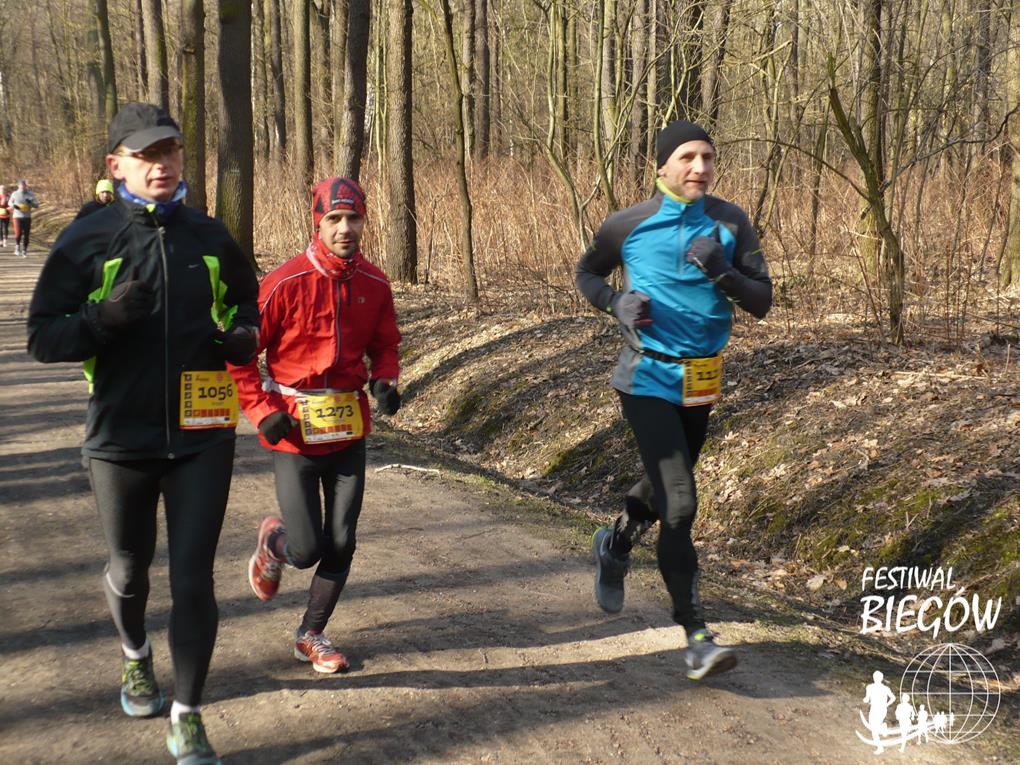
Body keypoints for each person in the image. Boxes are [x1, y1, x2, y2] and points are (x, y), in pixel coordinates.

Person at [27, 102, 259, 765]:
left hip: (202, 434)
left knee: (193, 579)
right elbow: (42, 335)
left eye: (171, 151)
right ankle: (135, 654)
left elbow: (248, 304)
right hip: (120, 437)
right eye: (147, 154)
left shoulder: (210, 236)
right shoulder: (88, 238)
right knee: (130, 570)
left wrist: (244, 337)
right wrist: (100, 320)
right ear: (117, 165)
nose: (162, 164)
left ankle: (188, 714)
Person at [576, 120, 772, 681]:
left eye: (708, 157)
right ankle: (696, 636)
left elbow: (762, 300)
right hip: (646, 378)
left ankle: (616, 541)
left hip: (702, 381)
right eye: (687, 157)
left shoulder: (730, 221)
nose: (700, 168)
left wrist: (724, 272)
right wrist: (615, 301)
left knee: (668, 484)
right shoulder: (627, 224)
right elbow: (587, 272)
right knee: (680, 503)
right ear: (661, 166)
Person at [232, 176, 401, 674]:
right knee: (306, 549)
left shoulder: (375, 284)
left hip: (348, 431)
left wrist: (385, 379)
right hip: (294, 433)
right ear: (318, 223)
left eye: (353, 218)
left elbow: (386, 345)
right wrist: (262, 413)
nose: (345, 228)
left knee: (343, 540)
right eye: (334, 219)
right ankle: (274, 544)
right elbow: (240, 356)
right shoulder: (284, 283)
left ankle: (311, 633)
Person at [9, 178, 39, 257]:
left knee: (26, 234)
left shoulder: (30, 194)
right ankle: (17, 247)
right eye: (21, 185)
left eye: (24, 185)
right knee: (18, 233)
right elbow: (9, 202)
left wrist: (31, 203)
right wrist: (13, 205)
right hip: (17, 216)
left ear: (26, 186)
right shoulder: (15, 194)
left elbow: (37, 205)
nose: (22, 187)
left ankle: (24, 250)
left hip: (27, 217)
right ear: (18, 186)